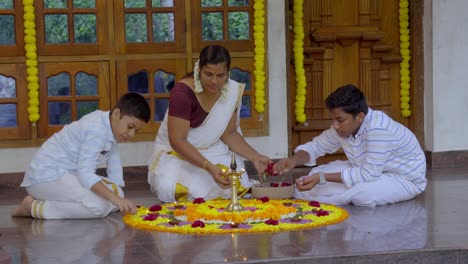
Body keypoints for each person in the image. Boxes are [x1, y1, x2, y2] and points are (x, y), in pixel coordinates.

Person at [148, 45, 271, 202]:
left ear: (228, 73)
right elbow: (177, 141)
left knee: (234, 182)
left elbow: (229, 134)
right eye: (208, 74)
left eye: (220, 75)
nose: (214, 81)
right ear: (199, 69)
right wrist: (208, 167)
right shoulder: (182, 93)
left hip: (213, 152)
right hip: (177, 155)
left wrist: (255, 157)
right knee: (169, 188)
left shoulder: (232, 91)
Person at [274, 84, 427, 206]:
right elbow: (316, 146)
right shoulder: (343, 127)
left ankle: (332, 200)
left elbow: (368, 174)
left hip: (403, 180)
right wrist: (293, 161)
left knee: (362, 194)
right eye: (333, 119)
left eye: (340, 120)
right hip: (370, 171)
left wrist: (322, 178)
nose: (335, 126)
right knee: (316, 173)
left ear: (360, 117)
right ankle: (331, 194)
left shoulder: (378, 128)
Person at [12, 93, 150, 219]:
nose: (131, 134)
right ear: (116, 114)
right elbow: (85, 174)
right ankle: (31, 207)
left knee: (117, 194)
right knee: (99, 207)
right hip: (44, 178)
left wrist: (119, 198)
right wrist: (115, 200)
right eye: (130, 127)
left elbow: (114, 163)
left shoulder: (111, 126)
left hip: (68, 174)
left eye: (136, 131)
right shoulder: (96, 129)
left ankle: (52, 201)